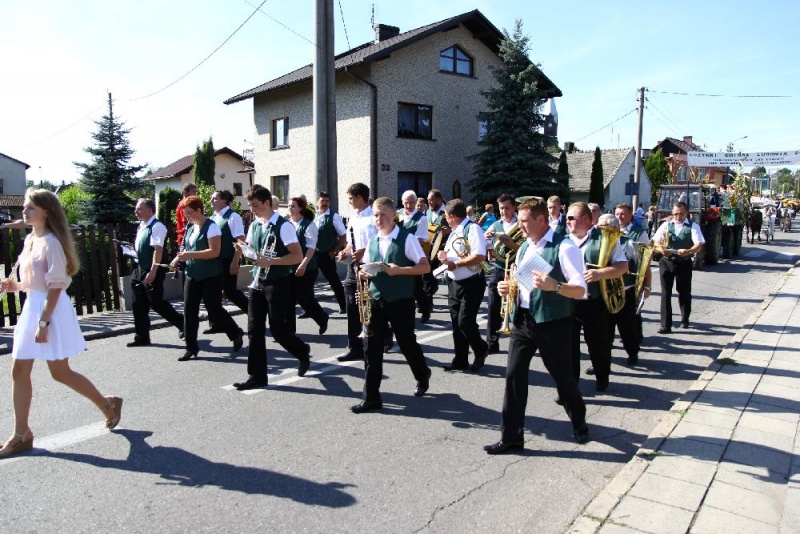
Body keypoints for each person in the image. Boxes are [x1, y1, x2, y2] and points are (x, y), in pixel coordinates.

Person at [0, 189, 122, 458]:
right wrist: (15, 286)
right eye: (25, 206)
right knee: (19, 370)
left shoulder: (53, 242)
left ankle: (107, 404)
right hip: (33, 306)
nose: (25, 210)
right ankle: (22, 433)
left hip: (49, 311)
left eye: (30, 207)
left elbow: (55, 286)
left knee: (60, 372)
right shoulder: (32, 239)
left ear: (46, 211)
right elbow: (35, 283)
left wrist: (44, 322)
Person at [483, 197, 589, 454]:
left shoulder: (564, 247)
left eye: (524, 221)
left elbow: (581, 290)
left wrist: (556, 286)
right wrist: (507, 288)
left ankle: (579, 420)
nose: (519, 226)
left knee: (563, 378)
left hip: (553, 322)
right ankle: (511, 437)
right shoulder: (523, 248)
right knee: (514, 376)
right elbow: (522, 282)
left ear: (541, 220)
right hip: (523, 321)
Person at [351, 197, 433, 413]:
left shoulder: (407, 239)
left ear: (393, 216)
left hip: (401, 301)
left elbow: (424, 268)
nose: (378, 219)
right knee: (372, 349)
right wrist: (363, 273)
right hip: (377, 300)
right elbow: (367, 267)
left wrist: (398, 270)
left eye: (383, 215)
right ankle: (371, 397)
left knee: (406, 343)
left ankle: (422, 373)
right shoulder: (373, 241)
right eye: (376, 215)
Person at [232, 186, 311, 390]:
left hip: (278, 282)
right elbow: (253, 252)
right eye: (251, 206)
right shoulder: (255, 225)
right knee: (254, 330)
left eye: (255, 205)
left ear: (267, 203)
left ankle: (302, 351)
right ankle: (257, 376)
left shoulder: (283, 226)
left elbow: (297, 256)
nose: (253, 209)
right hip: (258, 282)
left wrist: (271, 261)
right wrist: (243, 250)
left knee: (278, 330)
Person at [170, 196, 244, 362]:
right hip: (192, 273)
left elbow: (214, 251)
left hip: (211, 275)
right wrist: (178, 258)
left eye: (189, 213)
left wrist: (190, 255)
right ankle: (191, 347)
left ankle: (234, 332)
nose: (187, 216)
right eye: (185, 213)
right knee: (189, 309)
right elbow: (185, 248)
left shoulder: (212, 227)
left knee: (214, 308)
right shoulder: (190, 227)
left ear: (198, 210)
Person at [566, 204, 628, 392]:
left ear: (586, 219)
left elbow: (623, 266)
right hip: (568, 301)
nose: (567, 221)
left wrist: (600, 273)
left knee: (598, 344)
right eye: (567, 218)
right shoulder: (563, 240)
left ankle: (602, 376)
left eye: (571, 218)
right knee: (569, 347)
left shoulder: (605, 237)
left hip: (594, 300)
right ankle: (571, 385)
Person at [437, 199, 489, 372]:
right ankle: (460, 359)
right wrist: (445, 258)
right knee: (456, 323)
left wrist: (456, 264)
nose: (445, 219)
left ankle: (481, 349)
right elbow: (456, 254)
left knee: (465, 322)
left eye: (446, 216)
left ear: (452, 216)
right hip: (454, 282)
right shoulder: (454, 231)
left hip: (471, 282)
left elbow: (480, 255)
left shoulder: (472, 228)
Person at [127, 198, 184, 347]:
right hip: (139, 268)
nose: (136, 211)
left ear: (150, 210)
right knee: (137, 303)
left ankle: (182, 323)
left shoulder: (157, 226)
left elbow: (158, 250)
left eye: (139, 208)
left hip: (153, 268)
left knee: (156, 302)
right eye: (136, 208)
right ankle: (142, 337)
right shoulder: (142, 226)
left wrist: (153, 271)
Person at [337, 183, 381, 362]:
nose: (349, 202)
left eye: (350, 198)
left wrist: (364, 250)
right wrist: (345, 252)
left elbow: (379, 241)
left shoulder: (374, 216)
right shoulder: (354, 217)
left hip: (370, 266)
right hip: (354, 266)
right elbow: (350, 242)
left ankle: (382, 336)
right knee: (352, 305)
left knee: (371, 306)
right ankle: (354, 347)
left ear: (359, 197)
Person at [607, 203, 652, 366]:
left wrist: (647, 285)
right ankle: (601, 360)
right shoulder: (609, 233)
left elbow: (645, 262)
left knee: (627, 326)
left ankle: (632, 353)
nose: (620, 217)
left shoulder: (639, 233)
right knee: (605, 328)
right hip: (608, 288)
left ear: (630, 215)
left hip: (627, 286)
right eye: (617, 214)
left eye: (623, 214)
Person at [652, 201, 705, 333]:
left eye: (681, 214)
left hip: (684, 262)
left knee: (684, 292)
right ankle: (665, 325)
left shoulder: (693, 226)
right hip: (666, 261)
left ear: (687, 213)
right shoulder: (666, 225)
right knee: (665, 293)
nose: (678, 217)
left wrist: (689, 251)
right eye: (675, 214)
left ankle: (685, 319)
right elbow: (655, 241)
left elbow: (698, 244)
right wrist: (661, 249)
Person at [204, 190, 249, 334]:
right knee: (213, 293)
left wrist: (235, 261)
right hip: (213, 261)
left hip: (227, 259)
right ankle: (216, 323)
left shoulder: (233, 216)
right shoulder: (213, 217)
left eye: (215, 198)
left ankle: (254, 313)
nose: (211, 201)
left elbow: (240, 240)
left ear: (224, 200)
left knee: (230, 291)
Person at [285, 196, 329, 336]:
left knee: (303, 297)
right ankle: (290, 331)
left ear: (300, 209)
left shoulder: (309, 225)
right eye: (289, 206)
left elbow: (311, 248)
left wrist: (303, 265)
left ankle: (322, 317)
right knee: (288, 299)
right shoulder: (287, 224)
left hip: (307, 268)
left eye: (293, 206)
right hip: (289, 267)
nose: (289, 208)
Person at [484, 193, 518, 354]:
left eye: (507, 208)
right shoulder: (496, 225)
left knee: (518, 306)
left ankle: (521, 342)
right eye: (501, 208)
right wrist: (486, 238)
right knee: (493, 305)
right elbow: (486, 244)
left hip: (517, 269)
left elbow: (526, 249)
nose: (504, 211)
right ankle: (491, 342)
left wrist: (510, 243)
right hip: (499, 268)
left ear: (514, 208)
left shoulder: (521, 224)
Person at [398, 190, 432, 322]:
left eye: (411, 202)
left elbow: (421, 239)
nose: (409, 205)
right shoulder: (397, 214)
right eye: (406, 203)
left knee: (416, 286)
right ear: (402, 203)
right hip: (400, 255)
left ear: (415, 202)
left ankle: (425, 310)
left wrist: (404, 244)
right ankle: (405, 312)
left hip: (413, 256)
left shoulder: (421, 218)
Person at [314, 191, 347, 314]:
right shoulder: (314, 216)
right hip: (313, 254)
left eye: (327, 201)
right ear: (317, 202)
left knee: (334, 281)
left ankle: (343, 305)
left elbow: (343, 236)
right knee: (308, 281)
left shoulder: (334, 216)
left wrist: (334, 251)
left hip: (326, 254)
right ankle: (309, 308)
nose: (325, 203)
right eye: (322, 201)